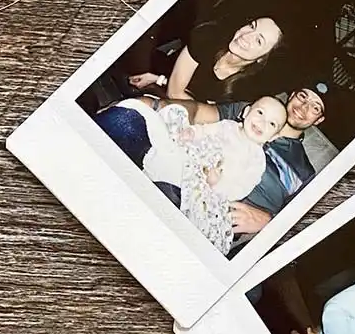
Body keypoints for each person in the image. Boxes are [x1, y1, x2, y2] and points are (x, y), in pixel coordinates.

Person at [115, 95, 288, 253]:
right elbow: (205, 130)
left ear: (273, 137)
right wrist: (192, 133)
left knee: (186, 205)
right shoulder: (228, 126)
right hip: (193, 159)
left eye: (272, 124)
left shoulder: (257, 160)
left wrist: (218, 184)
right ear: (246, 112)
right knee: (167, 138)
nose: (263, 122)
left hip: (208, 190)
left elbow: (242, 187)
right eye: (260, 113)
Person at [128, 14, 285, 103]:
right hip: (161, 72)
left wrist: (158, 80)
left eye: (259, 40)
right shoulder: (208, 37)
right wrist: (158, 79)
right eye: (252, 26)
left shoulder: (248, 89)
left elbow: (214, 117)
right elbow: (174, 93)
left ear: (262, 58)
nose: (247, 35)